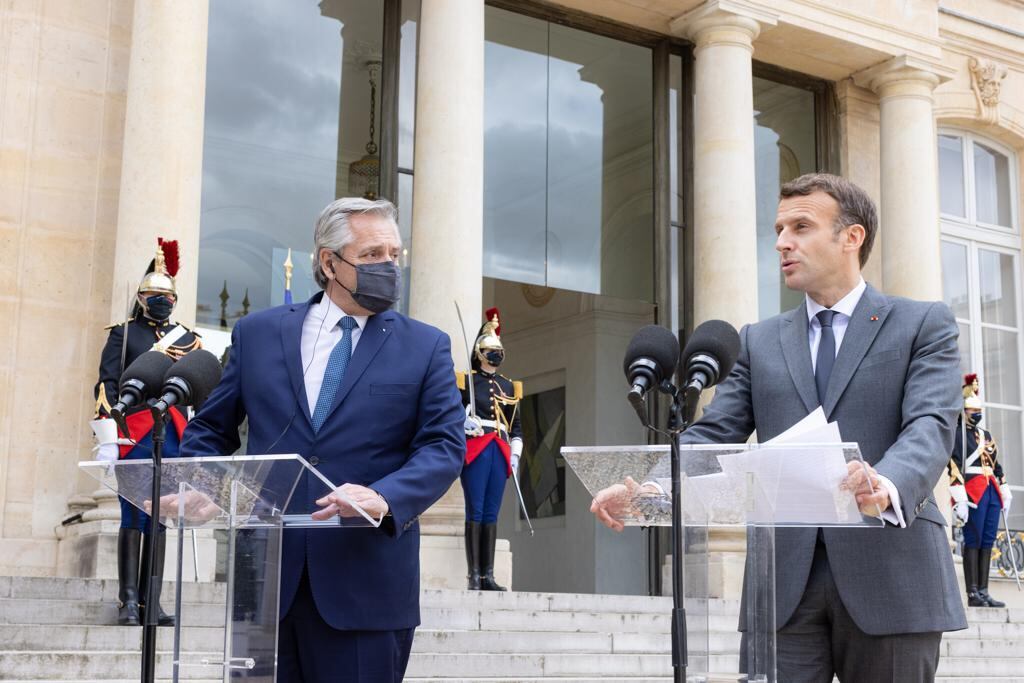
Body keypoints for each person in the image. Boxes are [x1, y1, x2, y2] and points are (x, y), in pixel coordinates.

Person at [591, 173, 967, 682]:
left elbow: (930, 424)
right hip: (783, 586)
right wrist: (650, 485)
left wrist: (886, 482)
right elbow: (714, 433)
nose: (781, 242)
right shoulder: (758, 341)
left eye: (801, 226)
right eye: (779, 228)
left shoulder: (922, 323)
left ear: (851, 237)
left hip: (892, 574)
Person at [180, 197, 464, 683]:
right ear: (329, 262)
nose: (389, 266)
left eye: (395, 254)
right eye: (373, 254)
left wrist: (383, 497)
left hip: (365, 586)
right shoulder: (257, 334)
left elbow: (443, 446)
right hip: (264, 581)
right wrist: (199, 482)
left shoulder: (426, 345)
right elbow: (211, 430)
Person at [90, 239, 201, 626]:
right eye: (154, 294)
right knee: (133, 516)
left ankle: (152, 601)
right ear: (140, 296)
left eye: (168, 295)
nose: (162, 301)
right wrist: (107, 437)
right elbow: (107, 385)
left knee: (161, 516)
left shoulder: (187, 338)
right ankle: (129, 601)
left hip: (172, 434)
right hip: (133, 433)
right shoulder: (123, 334)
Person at [457, 308, 523, 590]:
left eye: (498, 349)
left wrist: (516, 454)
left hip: (500, 449)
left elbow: (516, 426)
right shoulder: (466, 381)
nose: (495, 354)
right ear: (480, 351)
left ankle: (488, 575)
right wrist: (464, 422)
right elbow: (450, 416)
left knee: (491, 513)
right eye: (490, 349)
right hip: (477, 447)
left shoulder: (510, 385)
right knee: (476, 510)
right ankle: (473, 575)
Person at [949, 373, 1013, 608]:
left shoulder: (985, 435)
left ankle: (985, 590)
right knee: (973, 539)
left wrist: (1004, 486)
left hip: (990, 490)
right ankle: (973, 592)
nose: (976, 414)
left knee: (988, 539)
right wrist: (959, 497)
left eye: (978, 410)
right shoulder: (957, 434)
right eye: (972, 410)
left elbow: (995, 464)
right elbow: (954, 466)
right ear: (963, 411)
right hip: (972, 490)